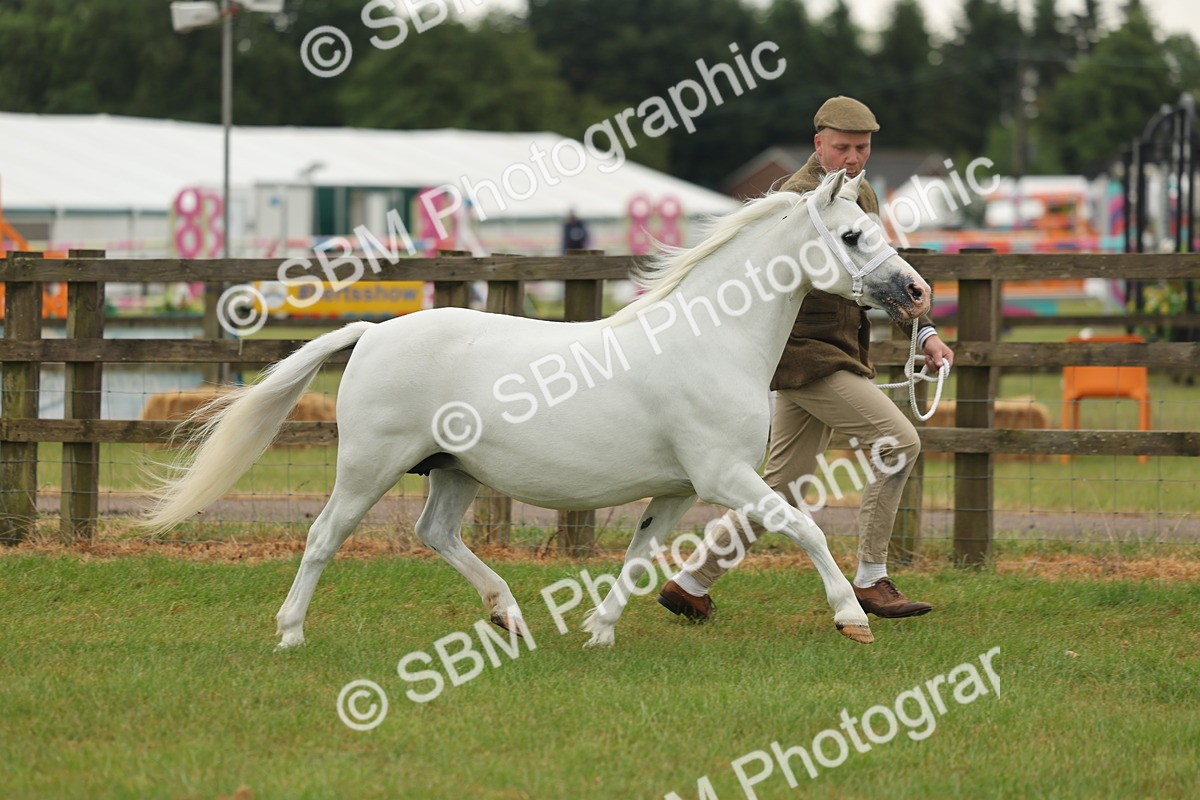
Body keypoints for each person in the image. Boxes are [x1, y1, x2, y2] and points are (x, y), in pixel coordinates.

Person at [658, 96, 954, 622]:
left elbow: (880, 271)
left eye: (861, 148)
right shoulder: (797, 201)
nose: (852, 158)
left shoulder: (858, 193)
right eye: (841, 147)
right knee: (899, 441)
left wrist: (924, 331)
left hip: (837, 352)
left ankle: (691, 582)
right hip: (805, 358)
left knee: (782, 487)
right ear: (818, 143)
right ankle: (870, 578)